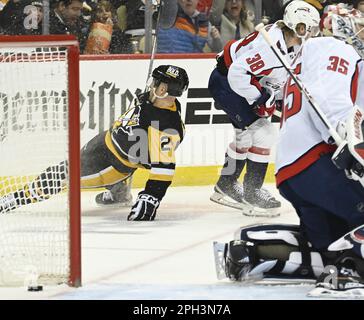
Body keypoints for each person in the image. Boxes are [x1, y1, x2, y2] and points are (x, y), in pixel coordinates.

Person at [214, 10, 364, 296]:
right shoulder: (334, 47)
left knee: (329, 244)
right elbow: (328, 98)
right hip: (320, 162)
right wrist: (352, 146)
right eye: (360, 28)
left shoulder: (315, 54)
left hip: (296, 172)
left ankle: (254, 252)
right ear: (344, 29)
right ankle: (349, 271)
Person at [0, 65, 189, 221]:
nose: (151, 85)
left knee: (60, 174)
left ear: (163, 89)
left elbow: (164, 169)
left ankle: (16, 198)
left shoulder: (167, 127)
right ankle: (119, 192)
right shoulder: (153, 101)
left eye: (155, 82)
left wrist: (151, 198)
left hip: (108, 166)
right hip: (103, 141)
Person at [208, 0, 320, 217]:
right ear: (298, 26)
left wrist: (274, 97)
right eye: (309, 28)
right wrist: (260, 97)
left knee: (245, 136)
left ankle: (226, 184)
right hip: (227, 84)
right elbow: (237, 74)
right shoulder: (271, 48)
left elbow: (277, 77)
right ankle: (252, 192)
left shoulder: (290, 43)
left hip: (233, 82)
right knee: (264, 132)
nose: (312, 34)